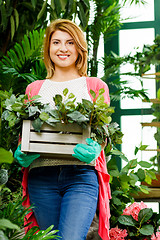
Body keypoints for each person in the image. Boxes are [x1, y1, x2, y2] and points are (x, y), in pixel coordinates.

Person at [14, 19, 111, 240]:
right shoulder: (34, 88)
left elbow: (103, 131)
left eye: (70, 42)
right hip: (41, 178)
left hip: (81, 176)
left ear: (79, 48)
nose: (63, 48)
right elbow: (27, 131)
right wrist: (22, 152)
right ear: (48, 47)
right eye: (56, 42)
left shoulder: (95, 86)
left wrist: (97, 147)